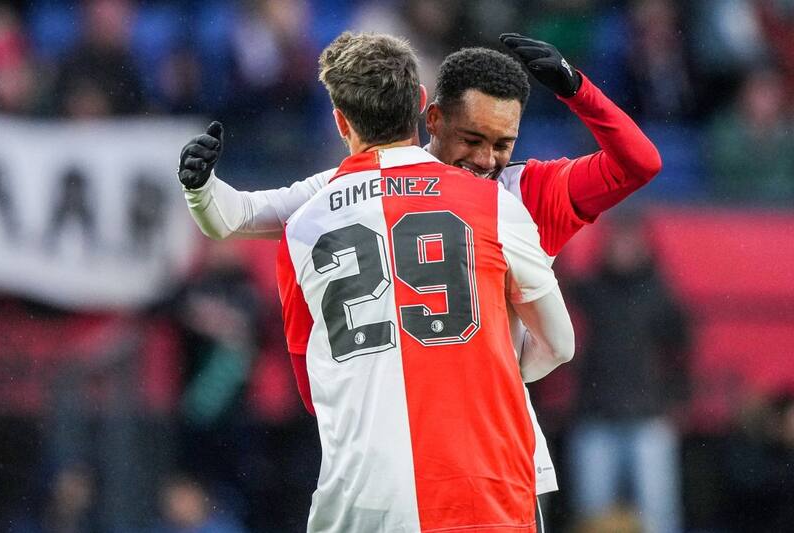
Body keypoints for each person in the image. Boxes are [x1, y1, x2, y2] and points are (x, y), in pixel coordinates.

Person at [178, 33, 661, 530]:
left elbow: (640, 163)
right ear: (432, 118)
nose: (486, 160)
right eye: (471, 139)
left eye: (503, 144)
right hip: (461, 466)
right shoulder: (459, 198)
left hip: (473, 447)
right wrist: (200, 187)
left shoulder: (521, 189)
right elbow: (240, 215)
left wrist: (577, 89)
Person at [274, 30, 573, 532]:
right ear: (420, 104)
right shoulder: (493, 203)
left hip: (360, 499)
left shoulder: (302, 226)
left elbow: (312, 390)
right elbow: (560, 344)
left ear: (341, 120)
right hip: (482, 488)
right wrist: (490, 371)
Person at [566, 213, 690, 533]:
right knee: (592, 518)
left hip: (648, 418)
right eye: (617, 240)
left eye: (629, 240)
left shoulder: (659, 294)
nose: (622, 248)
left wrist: (676, 398)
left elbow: (682, 352)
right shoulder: (592, 290)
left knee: (657, 518)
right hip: (596, 415)